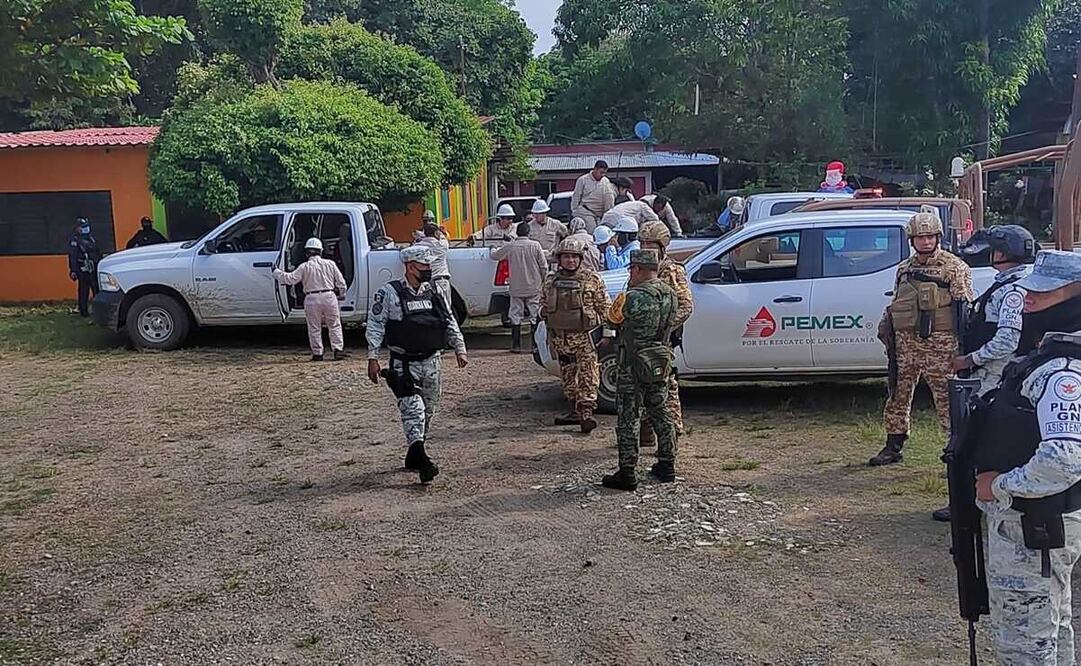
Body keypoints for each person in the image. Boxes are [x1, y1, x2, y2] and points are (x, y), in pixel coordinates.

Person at [973, 250, 1081, 664]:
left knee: (1026, 642)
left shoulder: (1062, 372)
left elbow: (1064, 457)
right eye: (1030, 292)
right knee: (1052, 625)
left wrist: (999, 486)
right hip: (1039, 523)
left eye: (1044, 294)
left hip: (1036, 524)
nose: (1028, 301)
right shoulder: (1048, 359)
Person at [869, 212, 974, 466]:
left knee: (946, 396)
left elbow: (963, 308)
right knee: (897, 393)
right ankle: (893, 444)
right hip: (906, 343)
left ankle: (955, 446)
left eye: (930, 237)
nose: (925, 242)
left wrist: (963, 347)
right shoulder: (905, 268)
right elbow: (898, 301)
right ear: (912, 240)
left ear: (938, 237)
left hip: (941, 344)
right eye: (920, 237)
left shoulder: (954, 267)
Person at [366, 246, 469, 484]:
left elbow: (449, 320)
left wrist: (460, 348)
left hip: (432, 361)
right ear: (410, 267)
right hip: (403, 364)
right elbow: (376, 325)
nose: (428, 269)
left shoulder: (434, 291)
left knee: (428, 411)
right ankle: (423, 461)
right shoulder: (388, 293)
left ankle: (415, 452)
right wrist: (373, 357)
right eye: (424, 266)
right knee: (414, 410)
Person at [602, 250, 679, 491]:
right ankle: (667, 464)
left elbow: (611, 321)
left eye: (631, 270)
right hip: (659, 360)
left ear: (636, 269)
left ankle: (627, 472)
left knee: (629, 416)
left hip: (632, 364)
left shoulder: (632, 297)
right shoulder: (670, 294)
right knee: (661, 410)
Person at [541, 237, 612, 434]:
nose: (570, 261)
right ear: (560, 259)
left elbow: (605, 307)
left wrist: (607, 333)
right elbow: (543, 305)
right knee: (568, 375)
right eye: (566, 257)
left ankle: (586, 413)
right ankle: (574, 411)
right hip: (561, 338)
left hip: (585, 338)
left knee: (589, 375)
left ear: (580, 258)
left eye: (574, 257)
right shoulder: (551, 281)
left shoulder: (592, 279)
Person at [637, 221, 694, 450]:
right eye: (642, 244)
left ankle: (672, 437)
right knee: (641, 387)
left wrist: (663, 326)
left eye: (650, 245)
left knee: (667, 388)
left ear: (662, 246)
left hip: (661, 341)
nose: (645, 249)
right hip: (640, 341)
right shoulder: (638, 268)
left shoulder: (672, 271)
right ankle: (646, 431)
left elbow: (686, 306)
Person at [273, 238, 348, 361]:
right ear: (321, 251)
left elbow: (289, 279)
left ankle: (318, 353)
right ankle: (338, 350)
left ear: (307, 253)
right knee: (334, 325)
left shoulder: (304, 267)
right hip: (329, 296)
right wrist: (342, 294)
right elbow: (341, 283)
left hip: (311, 298)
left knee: (314, 327)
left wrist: (276, 272)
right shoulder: (330, 264)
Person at [492, 222, 548, 354]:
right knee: (534, 315)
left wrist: (493, 248)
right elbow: (544, 266)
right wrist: (544, 281)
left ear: (517, 233)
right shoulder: (535, 245)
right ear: (529, 232)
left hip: (516, 287)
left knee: (515, 315)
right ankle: (535, 345)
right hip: (534, 286)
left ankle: (516, 345)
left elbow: (495, 256)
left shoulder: (511, 246)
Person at [414, 215, 452, 311]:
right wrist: (443, 231)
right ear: (436, 233)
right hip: (441, 281)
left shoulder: (418, 246)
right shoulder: (442, 245)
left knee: (430, 310)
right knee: (446, 310)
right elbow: (446, 237)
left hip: (426, 284)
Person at [68, 218, 102, 317]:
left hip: (93, 267)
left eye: (86, 226)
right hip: (82, 268)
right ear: (77, 228)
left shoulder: (91, 238)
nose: (85, 229)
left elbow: (97, 252)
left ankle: (98, 311)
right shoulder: (75, 241)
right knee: (83, 290)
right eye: (82, 227)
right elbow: (73, 257)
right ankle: (83, 311)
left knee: (96, 289)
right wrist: (73, 270)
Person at [571, 160, 615, 231]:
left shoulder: (606, 181)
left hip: (599, 215)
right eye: (601, 172)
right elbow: (576, 197)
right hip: (586, 212)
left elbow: (609, 198)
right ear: (595, 169)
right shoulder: (583, 180)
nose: (603, 175)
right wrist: (575, 211)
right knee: (593, 232)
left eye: (604, 173)